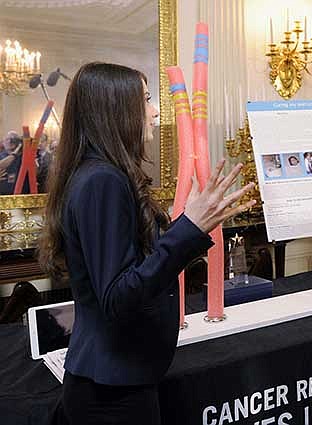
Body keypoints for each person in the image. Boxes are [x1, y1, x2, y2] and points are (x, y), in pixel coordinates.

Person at [38, 62, 256, 425]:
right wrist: (188, 228)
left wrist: (184, 228)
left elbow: (135, 264)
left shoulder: (100, 175)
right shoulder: (102, 181)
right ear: (115, 110)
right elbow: (119, 295)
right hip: (111, 391)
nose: (155, 111)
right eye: (146, 100)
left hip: (115, 381)